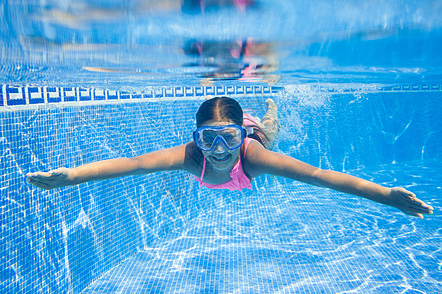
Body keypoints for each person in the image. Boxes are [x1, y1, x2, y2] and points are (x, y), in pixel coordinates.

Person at [27, 97, 433, 219]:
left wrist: (386, 196)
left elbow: (321, 176)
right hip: (240, 128)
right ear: (197, 138)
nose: (219, 151)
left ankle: (269, 113)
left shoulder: (253, 156)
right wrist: (73, 176)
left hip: (255, 130)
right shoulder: (190, 156)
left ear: (238, 138)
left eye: (227, 140)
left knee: (271, 134)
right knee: (167, 174)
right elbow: (132, 164)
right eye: (209, 140)